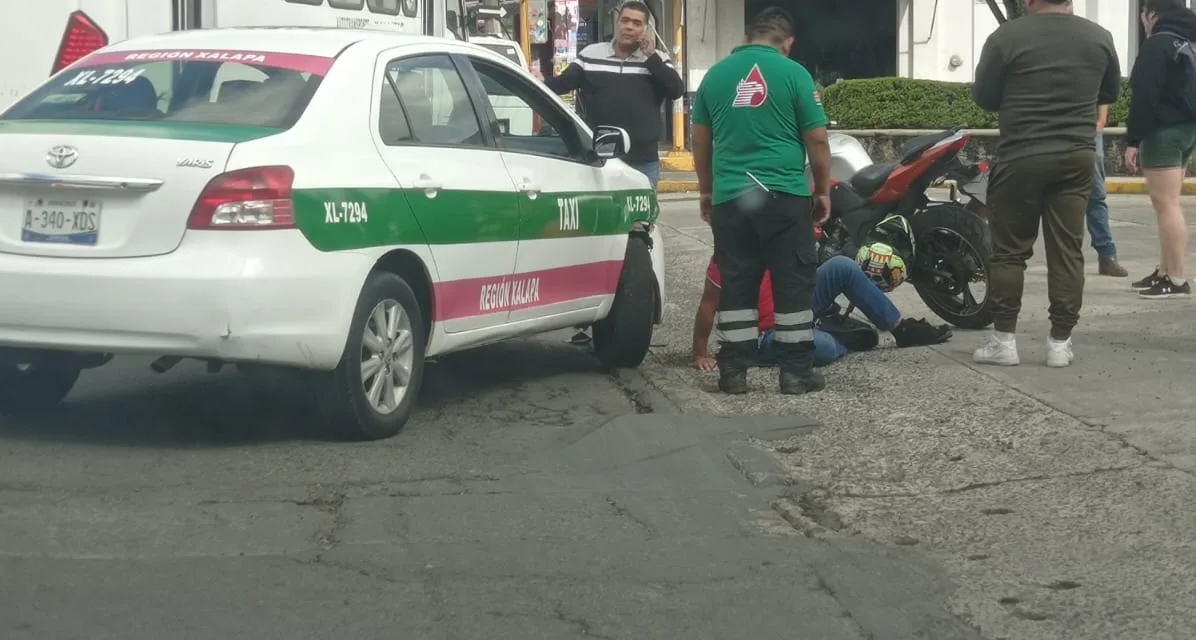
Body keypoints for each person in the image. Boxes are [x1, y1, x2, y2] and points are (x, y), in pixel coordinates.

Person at [970, 0, 1121, 368]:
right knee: (1068, 250)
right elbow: (1110, 93)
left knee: (1009, 251)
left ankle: (1004, 340)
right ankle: (1060, 342)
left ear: (1030, 1)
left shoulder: (1006, 38)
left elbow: (984, 97)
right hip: (1076, 156)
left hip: (1021, 154)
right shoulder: (1099, 37)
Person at [690, 7, 833, 395]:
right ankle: (795, 373)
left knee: (736, 283)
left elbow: (700, 142)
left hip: (731, 199)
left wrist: (707, 189)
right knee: (793, 282)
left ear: (750, 36)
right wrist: (822, 189)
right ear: (787, 42)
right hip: (784, 196)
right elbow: (817, 140)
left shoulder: (715, 77)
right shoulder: (795, 74)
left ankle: (733, 373)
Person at [691, 252, 952, 372]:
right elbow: (707, 306)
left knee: (842, 266)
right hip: (765, 337)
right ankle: (835, 336)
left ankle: (901, 329)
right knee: (823, 347)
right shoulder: (727, 257)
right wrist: (700, 354)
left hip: (795, 306)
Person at [542, 0, 684, 189]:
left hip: (642, 161)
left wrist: (651, 57)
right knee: (598, 215)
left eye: (636, 23)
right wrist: (537, 80)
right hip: (599, 160)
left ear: (645, 29)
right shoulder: (591, 54)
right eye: (625, 21)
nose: (629, 27)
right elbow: (562, 85)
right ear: (617, 23)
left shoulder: (657, 59)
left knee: (640, 218)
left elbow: (676, 90)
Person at [1125, 0, 1196, 299]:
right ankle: (1165, 270)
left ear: (1152, 14)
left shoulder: (1158, 45)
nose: (1143, 23)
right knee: (1167, 203)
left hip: (1163, 132)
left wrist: (1133, 139)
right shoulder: (1189, 42)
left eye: (1143, 17)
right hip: (1188, 130)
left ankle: (1177, 278)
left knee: (1166, 204)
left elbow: (1144, 95)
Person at [1089, 104, 1128, 277]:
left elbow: (1103, 88)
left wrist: (1101, 120)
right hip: (1052, 129)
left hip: (1088, 128)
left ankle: (1107, 256)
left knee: (1096, 194)